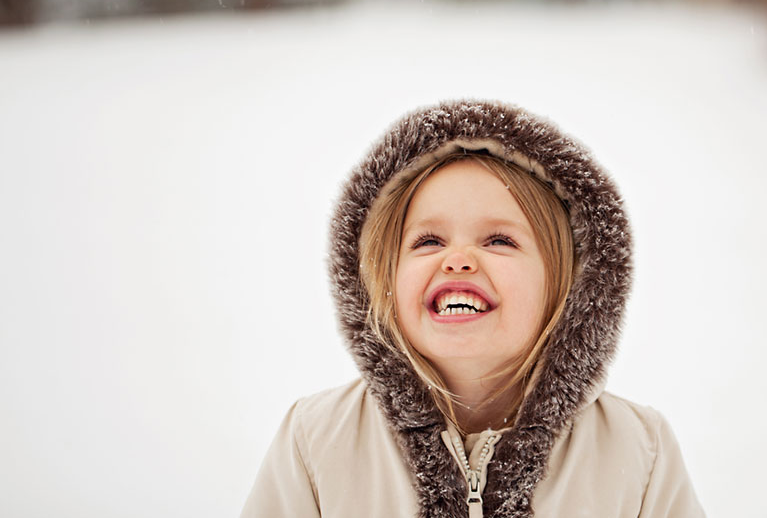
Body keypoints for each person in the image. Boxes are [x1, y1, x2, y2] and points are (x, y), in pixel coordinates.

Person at [240, 100, 705, 517]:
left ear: (567, 285)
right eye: (428, 240)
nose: (458, 258)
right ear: (381, 278)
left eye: (499, 240)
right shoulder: (318, 442)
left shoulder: (638, 451)